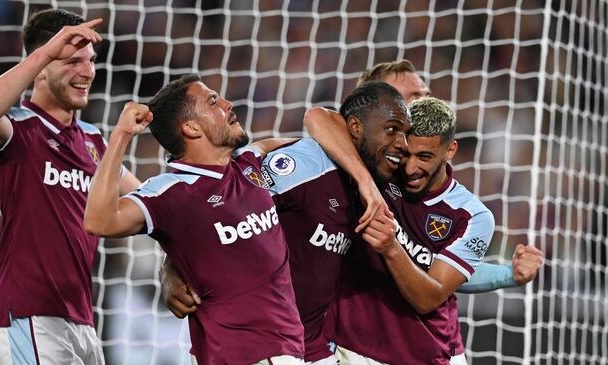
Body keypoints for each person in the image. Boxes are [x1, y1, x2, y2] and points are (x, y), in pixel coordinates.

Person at [159, 80, 411, 364]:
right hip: (253, 347)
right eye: (392, 129)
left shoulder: (397, 186)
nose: (403, 143)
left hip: (315, 346)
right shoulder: (305, 167)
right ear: (354, 126)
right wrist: (172, 267)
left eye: (407, 132)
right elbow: (219, 209)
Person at [83, 74, 306, 364]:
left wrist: (170, 266)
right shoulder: (171, 192)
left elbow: (317, 142)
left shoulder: (251, 161)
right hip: (244, 354)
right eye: (213, 101)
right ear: (191, 127)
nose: (228, 104)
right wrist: (120, 136)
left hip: (284, 350)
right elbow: (98, 222)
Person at [0, 9, 140, 364]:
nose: (88, 72)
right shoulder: (20, 130)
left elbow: (147, 201)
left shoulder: (94, 141)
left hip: (81, 319)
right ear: (41, 66)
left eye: (90, 61)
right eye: (72, 60)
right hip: (29, 313)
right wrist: (47, 51)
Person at [356, 59, 544, 362]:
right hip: (357, 342)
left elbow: (440, 269)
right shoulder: (360, 168)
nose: (421, 103)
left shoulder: (466, 211)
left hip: (431, 344)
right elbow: (319, 122)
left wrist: (506, 274)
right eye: (407, 97)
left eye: (424, 93)